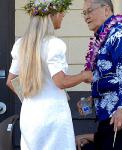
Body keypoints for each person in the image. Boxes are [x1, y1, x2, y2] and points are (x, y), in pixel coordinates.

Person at [6, 0, 93, 150]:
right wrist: (84, 75)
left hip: (30, 114)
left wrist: (31, 96)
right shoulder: (54, 44)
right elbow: (60, 81)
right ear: (51, 16)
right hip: (53, 115)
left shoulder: (21, 44)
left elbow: (10, 81)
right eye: (61, 12)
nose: (63, 15)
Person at [77, 0, 122, 150]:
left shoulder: (121, 34)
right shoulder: (103, 38)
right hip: (108, 113)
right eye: (84, 13)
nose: (86, 17)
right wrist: (91, 99)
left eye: (89, 11)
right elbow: (109, 78)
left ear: (106, 10)